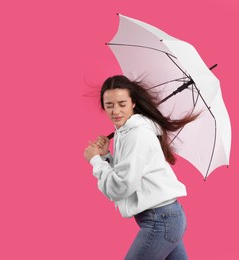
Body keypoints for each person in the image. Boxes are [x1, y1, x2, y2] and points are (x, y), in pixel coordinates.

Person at [84, 75, 198, 260]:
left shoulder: (137, 134)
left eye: (122, 104)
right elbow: (128, 175)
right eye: (109, 105)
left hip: (161, 220)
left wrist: (95, 161)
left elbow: (120, 187)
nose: (116, 111)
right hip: (168, 217)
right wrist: (106, 156)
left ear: (133, 103)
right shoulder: (126, 131)